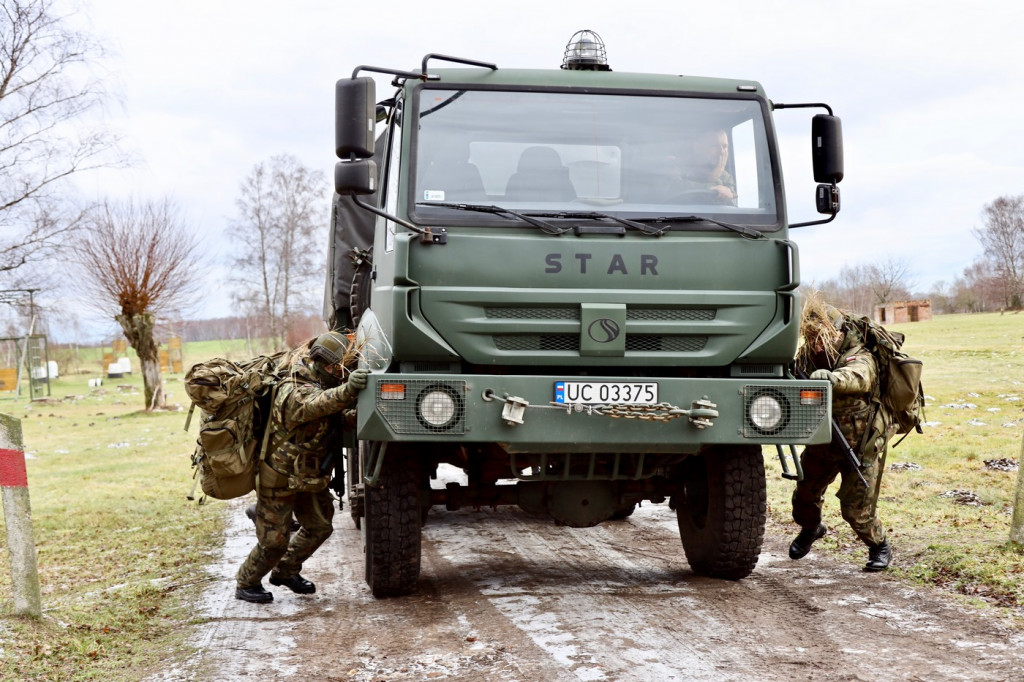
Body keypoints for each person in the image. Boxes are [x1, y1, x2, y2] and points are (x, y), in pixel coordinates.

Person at [235, 331, 368, 603]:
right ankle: (246, 582)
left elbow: (333, 416)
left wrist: (362, 412)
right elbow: (313, 406)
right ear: (321, 363)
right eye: (337, 368)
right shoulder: (293, 387)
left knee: (320, 526)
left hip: (308, 477)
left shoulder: (320, 381)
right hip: (279, 478)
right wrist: (349, 389)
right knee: (274, 542)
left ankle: (285, 570)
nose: (339, 373)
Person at [788, 295, 894, 572]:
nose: (818, 345)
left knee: (855, 510)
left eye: (823, 338)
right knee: (803, 498)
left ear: (838, 332)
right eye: (813, 340)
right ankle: (811, 529)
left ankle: (879, 546)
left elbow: (858, 376)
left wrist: (830, 379)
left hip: (860, 447)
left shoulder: (858, 354)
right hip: (822, 444)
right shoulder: (808, 357)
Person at [678, 128, 737, 205]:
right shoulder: (678, 170)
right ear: (697, 147)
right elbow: (675, 190)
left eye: (725, 146)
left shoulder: (725, 176)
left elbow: (732, 203)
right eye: (714, 146)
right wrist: (712, 182)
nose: (722, 151)